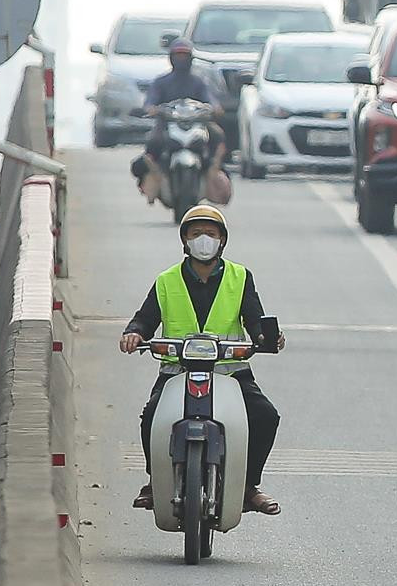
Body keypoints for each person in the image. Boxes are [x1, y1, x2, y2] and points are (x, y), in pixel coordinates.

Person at [119, 204, 283, 515]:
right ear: (184, 242)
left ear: (222, 240)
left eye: (210, 233)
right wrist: (133, 334)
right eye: (196, 234)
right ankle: (156, 482)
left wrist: (267, 337)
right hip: (177, 371)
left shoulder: (240, 277)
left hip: (229, 372)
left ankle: (248, 487)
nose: (203, 239)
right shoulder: (166, 280)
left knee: (265, 417)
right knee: (152, 417)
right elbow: (144, 319)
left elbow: (256, 321)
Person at [132, 37, 229, 187]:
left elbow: (210, 98)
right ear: (171, 58)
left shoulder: (198, 82)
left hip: (198, 124)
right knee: (154, 141)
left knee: (218, 135)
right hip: (167, 124)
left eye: (184, 55)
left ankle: (214, 169)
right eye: (178, 55)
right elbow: (150, 100)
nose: (181, 59)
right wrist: (151, 108)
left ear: (191, 58)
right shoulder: (161, 82)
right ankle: (152, 173)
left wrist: (215, 108)